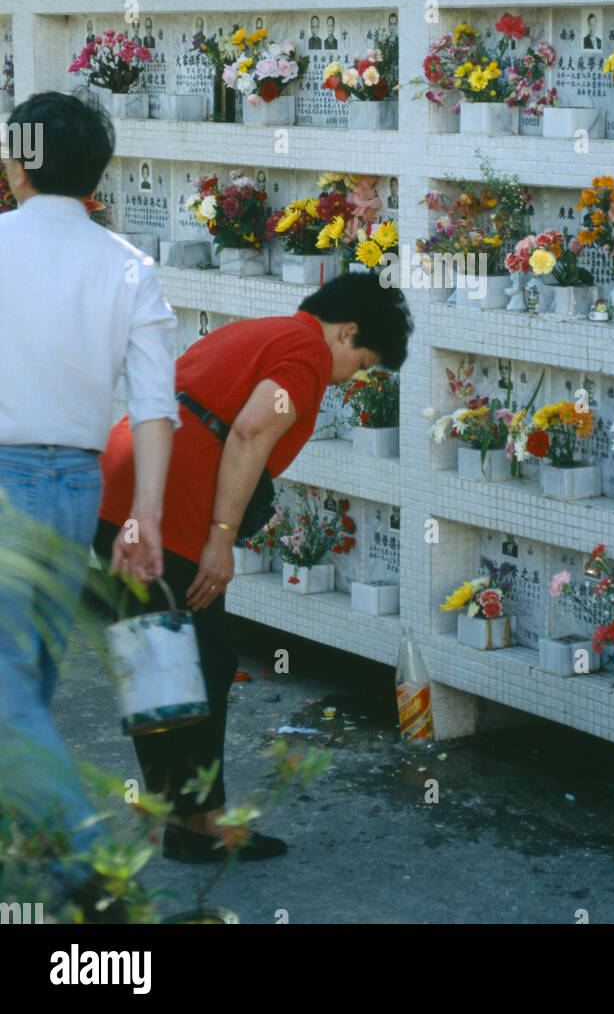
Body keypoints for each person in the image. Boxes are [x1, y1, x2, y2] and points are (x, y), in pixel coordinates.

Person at [93, 273, 412, 863]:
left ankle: (184, 819)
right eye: (363, 363)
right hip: (168, 504)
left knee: (164, 656)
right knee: (202, 660)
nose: (354, 379)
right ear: (348, 333)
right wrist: (219, 541)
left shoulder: (264, 332)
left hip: (123, 481)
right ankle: (198, 823)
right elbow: (249, 432)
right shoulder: (309, 354)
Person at [0, 93, 177, 915]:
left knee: (8, 693)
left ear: (17, 163)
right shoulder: (129, 266)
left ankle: (92, 872)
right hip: (76, 486)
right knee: (23, 682)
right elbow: (152, 407)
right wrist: (142, 516)